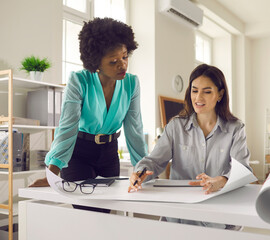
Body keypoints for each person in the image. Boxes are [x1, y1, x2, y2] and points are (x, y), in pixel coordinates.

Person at [30, 18, 147, 203]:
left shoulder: (131, 84)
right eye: (113, 61)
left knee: (106, 210)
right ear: (96, 63)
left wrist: (142, 168)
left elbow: (135, 129)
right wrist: (52, 174)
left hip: (109, 153)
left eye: (125, 57)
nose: (123, 65)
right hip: (78, 154)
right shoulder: (79, 81)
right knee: (86, 211)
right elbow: (67, 127)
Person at [128, 64, 251, 229]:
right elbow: (154, 161)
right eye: (194, 90)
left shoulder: (235, 128)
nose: (198, 97)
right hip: (179, 216)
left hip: (217, 216)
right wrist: (140, 172)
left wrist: (221, 181)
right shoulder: (175, 126)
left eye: (207, 92)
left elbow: (242, 170)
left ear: (220, 94)